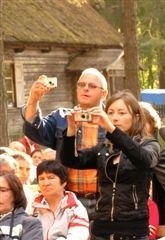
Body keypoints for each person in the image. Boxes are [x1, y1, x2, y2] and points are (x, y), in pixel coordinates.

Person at [58, 90, 160, 240]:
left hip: (134, 235)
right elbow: (70, 160)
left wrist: (111, 130)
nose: (114, 117)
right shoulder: (104, 149)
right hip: (102, 236)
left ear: (136, 116)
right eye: (110, 112)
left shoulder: (149, 145)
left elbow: (144, 160)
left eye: (121, 113)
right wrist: (71, 130)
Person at [21, 68, 109, 217]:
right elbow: (34, 130)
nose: (85, 88)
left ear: (104, 93)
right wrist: (34, 99)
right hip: (68, 199)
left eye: (92, 86)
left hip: (105, 199)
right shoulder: (62, 117)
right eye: (81, 85)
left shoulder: (112, 120)